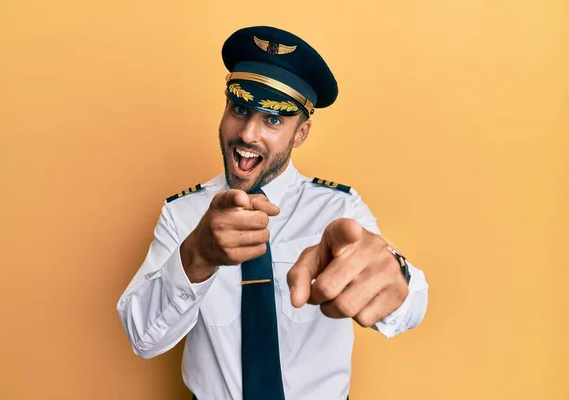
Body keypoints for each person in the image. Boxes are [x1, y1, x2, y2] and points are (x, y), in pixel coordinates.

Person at [117, 25, 429, 400]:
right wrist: (196, 255)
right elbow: (143, 339)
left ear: (300, 134)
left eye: (273, 119)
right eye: (240, 108)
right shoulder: (182, 213)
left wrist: (395, 273)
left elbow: (409, 309)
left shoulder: (339, 209)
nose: (248, 134)